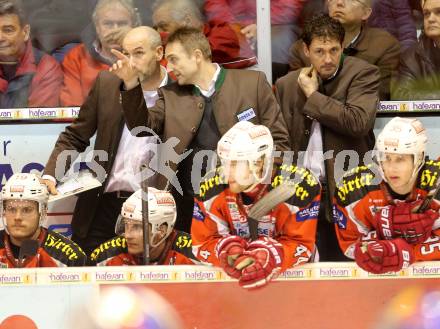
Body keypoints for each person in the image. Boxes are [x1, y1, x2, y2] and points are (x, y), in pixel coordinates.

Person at [114, 27, 290, 234]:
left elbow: (279, 142)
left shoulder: (253, 83)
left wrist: (259, 187)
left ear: (197, 56)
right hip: (186, 208)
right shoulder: (170, 94)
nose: (169, 67)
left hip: (245, 204)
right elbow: (140, 128)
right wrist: (130, 83)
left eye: (174, 59)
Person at [42, 26, 169, 255]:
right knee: (91, 278)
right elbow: (75, 135)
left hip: (155, 209)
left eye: (138, 53)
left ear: (159, 53)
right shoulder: (108, 83)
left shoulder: (180, 91)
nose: (130, 62)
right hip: (104, 205)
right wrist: (51, 173)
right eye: (125, 54)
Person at [276, 14, 380, 261]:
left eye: (334, 50)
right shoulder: (286, 85)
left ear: (343, 47)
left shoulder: (363, 74)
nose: (328, 59)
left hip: (349, 193)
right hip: (301, 195)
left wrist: (313, 96)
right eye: (320, 51)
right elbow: (280, 139)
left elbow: (358, 123)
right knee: (305, 274)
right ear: (306, 50)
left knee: (351, 271)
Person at [191, 121, 320, 289]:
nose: (226, 172)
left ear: (259, 162)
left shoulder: (300, 186)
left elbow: (301, 245)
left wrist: (271, 256)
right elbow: (203, 243)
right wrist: (227, 251)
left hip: (291, 277)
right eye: (225, 162)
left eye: (235, 163)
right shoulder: (209, 187)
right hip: (237, 279)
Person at [334, 117, 440, 274]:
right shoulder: (354, 187)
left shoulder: (435, 182)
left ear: (418, 158)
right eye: (386, 158)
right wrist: (383, 243)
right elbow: (350, 245)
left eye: (400, 159)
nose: (391, 168)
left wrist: (408, 252)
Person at [288, 0, 399, 100]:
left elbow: (378, 99)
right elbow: (295, 100)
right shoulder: (303, 49)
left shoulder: (384, 46)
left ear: (366, 13)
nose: (339, 2)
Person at [59, 0, 140, 106]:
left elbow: (154, 107)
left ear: (133, 26)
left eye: (122, 24)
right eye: (108, 24)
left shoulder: (146, 55)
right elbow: (71, 109)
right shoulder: (77, 56)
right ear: (97, 27)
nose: (115, 30)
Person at [90, 187, 198, 265]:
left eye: (137, 227)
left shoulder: (194, 253)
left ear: (162, 230)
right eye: (126, 224)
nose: (127, 235)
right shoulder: (105, 256)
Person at [0, 173, 86, 267]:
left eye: (26, 210)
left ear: (43, 212)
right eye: (11, 209)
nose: (17, 217)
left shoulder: (69, 257)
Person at [152, 0, 257, 69]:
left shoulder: (223, 36)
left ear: (187, 20)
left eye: (164, 26)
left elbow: (191, 59)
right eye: (156, 28)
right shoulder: (166, 45)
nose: (158, 33)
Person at [0, 0, 62, 108]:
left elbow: (37, 121)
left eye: (8, 30)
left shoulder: (45, 67)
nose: (0, 38)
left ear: (25, 32)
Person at [203, 0, 305, 64]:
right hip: (230, 24)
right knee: (221, 43)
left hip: (275, 22)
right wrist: (235, 27)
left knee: (277, 42)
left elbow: (291, 5)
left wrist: (260, 23)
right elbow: (215, 4)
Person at [392, 0, 440, 100]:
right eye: (426, 14)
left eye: (439, 12)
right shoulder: (411, 56)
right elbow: (400, 96)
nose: (430, 19)